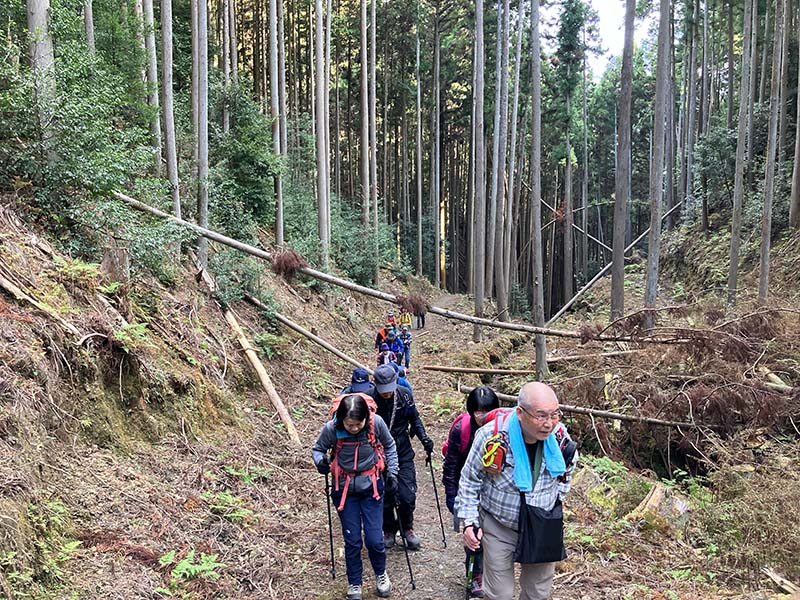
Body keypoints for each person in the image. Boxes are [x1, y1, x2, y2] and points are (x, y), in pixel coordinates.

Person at [457, 382, 578, 600]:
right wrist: (468, 521)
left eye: (554, 415)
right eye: (541, 416)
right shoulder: (491, 437)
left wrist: (555, 501)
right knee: (499, 594)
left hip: (542, 524)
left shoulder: (560, 438)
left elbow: (568, 468)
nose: (548, 423)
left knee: (538, 593)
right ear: (520, 413)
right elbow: (469, 480)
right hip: (499, 524)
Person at [312, 394, 399, 600]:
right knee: (352, 540)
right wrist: (320, 462)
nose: (354, 428)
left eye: (357, 424)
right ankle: (354, 582)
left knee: (375, 539)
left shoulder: (375, 423)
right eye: (349, 424)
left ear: (365, 419)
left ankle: (381, 574)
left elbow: (390, 445)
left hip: (372, 488)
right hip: (344, 491)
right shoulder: (332, 428)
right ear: (341, 418)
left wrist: (393, 472)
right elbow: (317, 449)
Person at [442, 386, 500, 598]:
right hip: (467, 489)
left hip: (493, 490)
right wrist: (451, 494)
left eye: (486, 411)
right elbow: (451, 465)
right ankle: (475, 575)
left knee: (491, 536)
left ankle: (488, 574)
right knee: (473, 535)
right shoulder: (462, 430)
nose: (482, 416)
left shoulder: (501, 430)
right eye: (477, 411)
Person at [371, 364, 434, 551]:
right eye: (382, 390)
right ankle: (388, 529)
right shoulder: (369, 399)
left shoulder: (404, 394)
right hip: (379, 452)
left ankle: (407, 527)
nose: (386, 394)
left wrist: (424, 439)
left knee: (407, 494)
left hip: (403, 449)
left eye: (389, 389)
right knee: (385, 494)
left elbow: (414, 419)